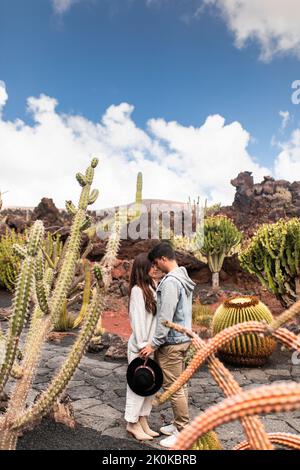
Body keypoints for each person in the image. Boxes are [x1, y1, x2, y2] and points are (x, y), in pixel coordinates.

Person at [140, 242, 196, 448]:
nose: (155, 268)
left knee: (174, 388)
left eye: (156, 263)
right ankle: (178, 424)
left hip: (171, 343)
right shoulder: (183, 276)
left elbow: (166, 318)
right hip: (183, 340)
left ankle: (182, 431)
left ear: (163, 259)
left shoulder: (171, 282)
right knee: (181, 385)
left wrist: (153, 344)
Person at [124, 253, 160, 441]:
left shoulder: (151, 287)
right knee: (138, 385)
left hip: (150, 347)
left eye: (156, 265)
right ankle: (132, 423)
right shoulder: (138, 291)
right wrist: (143, 345)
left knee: (149, 386)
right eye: (151, 265)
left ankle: (143, 419)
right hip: (141, 347)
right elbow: (137, 321)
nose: (155, 268)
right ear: (142, 268)